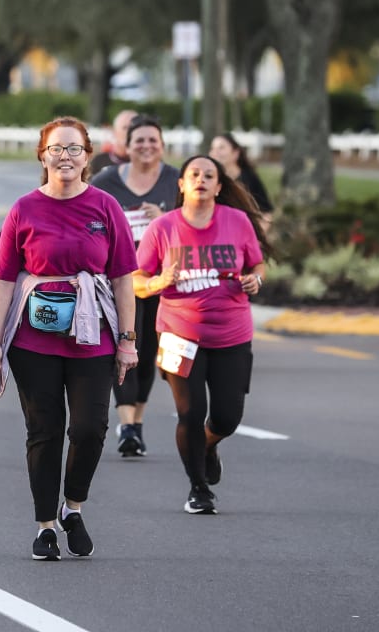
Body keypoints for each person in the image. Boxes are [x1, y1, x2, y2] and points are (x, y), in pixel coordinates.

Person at [0, 116, 138, 561]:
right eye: (56, 149)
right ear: (42, 155)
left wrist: (127, 340)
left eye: (73, 149)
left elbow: (124, 278)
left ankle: (73, 507)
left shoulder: (105, 207)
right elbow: (3, 282)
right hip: (34, 341)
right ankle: (45, 525)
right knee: (44, 431)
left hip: (94, 338)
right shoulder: (24, 209)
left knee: (90, 428)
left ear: (88, 157)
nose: (64, 157)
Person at [134, 154, 269, 515]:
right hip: (179, 333)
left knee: (226, 418)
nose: (201, 180)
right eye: (194, 174)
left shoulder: (238, 222)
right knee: (190, 413)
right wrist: (160, 281)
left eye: (209, 175)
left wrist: (256, 278)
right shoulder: (162, 228)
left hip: (232, 332)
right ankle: (198, 487)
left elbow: (257, 263)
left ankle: (208, 445)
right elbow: (136, 281)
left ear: (219, 186)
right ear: (181, 184)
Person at [90, 114, 180, 457]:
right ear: (126, 145)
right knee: (126, 345)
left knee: (150, 352)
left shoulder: (176, 181)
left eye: (152, 140)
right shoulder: (106, 181)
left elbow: (194, 227)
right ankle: (126, 425)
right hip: (119, 278)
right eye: (138, 140)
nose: (145, 146)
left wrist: (164, 221)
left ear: (162, 146)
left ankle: (137, 422)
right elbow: (88, 218)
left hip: (164, 281)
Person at [209, 133, 274, 220]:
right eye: (213, 148)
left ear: (236, 153)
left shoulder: (249, 178)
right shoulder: (210, 180)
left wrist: (255, 233)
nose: (215, 152)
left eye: (221, 148)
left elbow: (266, 213)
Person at [88, 109, 138, 175]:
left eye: (135, 127)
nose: (130, 132)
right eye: (125, 128)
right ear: (114, 132)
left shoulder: (148, 163)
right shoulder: (99, 162)